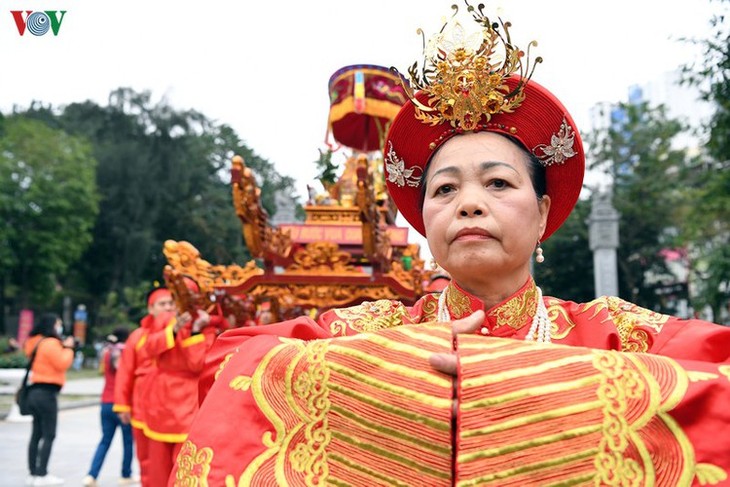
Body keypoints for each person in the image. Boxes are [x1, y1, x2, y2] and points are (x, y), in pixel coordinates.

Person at [171, 4, 730, 486]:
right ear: (424, 220)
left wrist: (526, 388)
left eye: (498, 183)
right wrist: (389, 371)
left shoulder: (613, 335)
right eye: (444, 189)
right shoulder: (372, 332)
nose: (468, 202)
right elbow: (226, 362)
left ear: (541, 215)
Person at [135, 279, 218, 487]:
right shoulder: (163, 322)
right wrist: (173, 330)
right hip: (160, 400)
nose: (175, 305)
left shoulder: (206, 326)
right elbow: (147, 349)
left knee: (185, 464)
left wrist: (195, 331)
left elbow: (198, 364)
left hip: (188, 400)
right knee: (157, 466)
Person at [113, 287, 175, 487]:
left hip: (173, 407)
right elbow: (125, 372)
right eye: (162, 304)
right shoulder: (138, 336)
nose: (167, 307)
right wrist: (122, 405)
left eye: (171, 303)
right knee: (147, 458)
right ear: (151, 309)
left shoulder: (181, 331)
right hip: (142, 407)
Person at [23, 313, 75, 486]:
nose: (60, 328)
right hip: (47, 393)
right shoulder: (51, 343)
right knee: (49, 434)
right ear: (52, 325)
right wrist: (69, 349)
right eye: (58, 324)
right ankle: (42, 474)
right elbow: (62, 363)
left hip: (34, 391)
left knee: (36, 434)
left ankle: (32, 473)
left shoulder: (35, 342)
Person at [83, 327, 137, 486]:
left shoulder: (107, 352)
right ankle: (126, 474)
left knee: (105, 441)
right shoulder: (125, 352)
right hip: (122, 404)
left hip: (105, 403)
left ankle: (91, 475)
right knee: (128, 441)